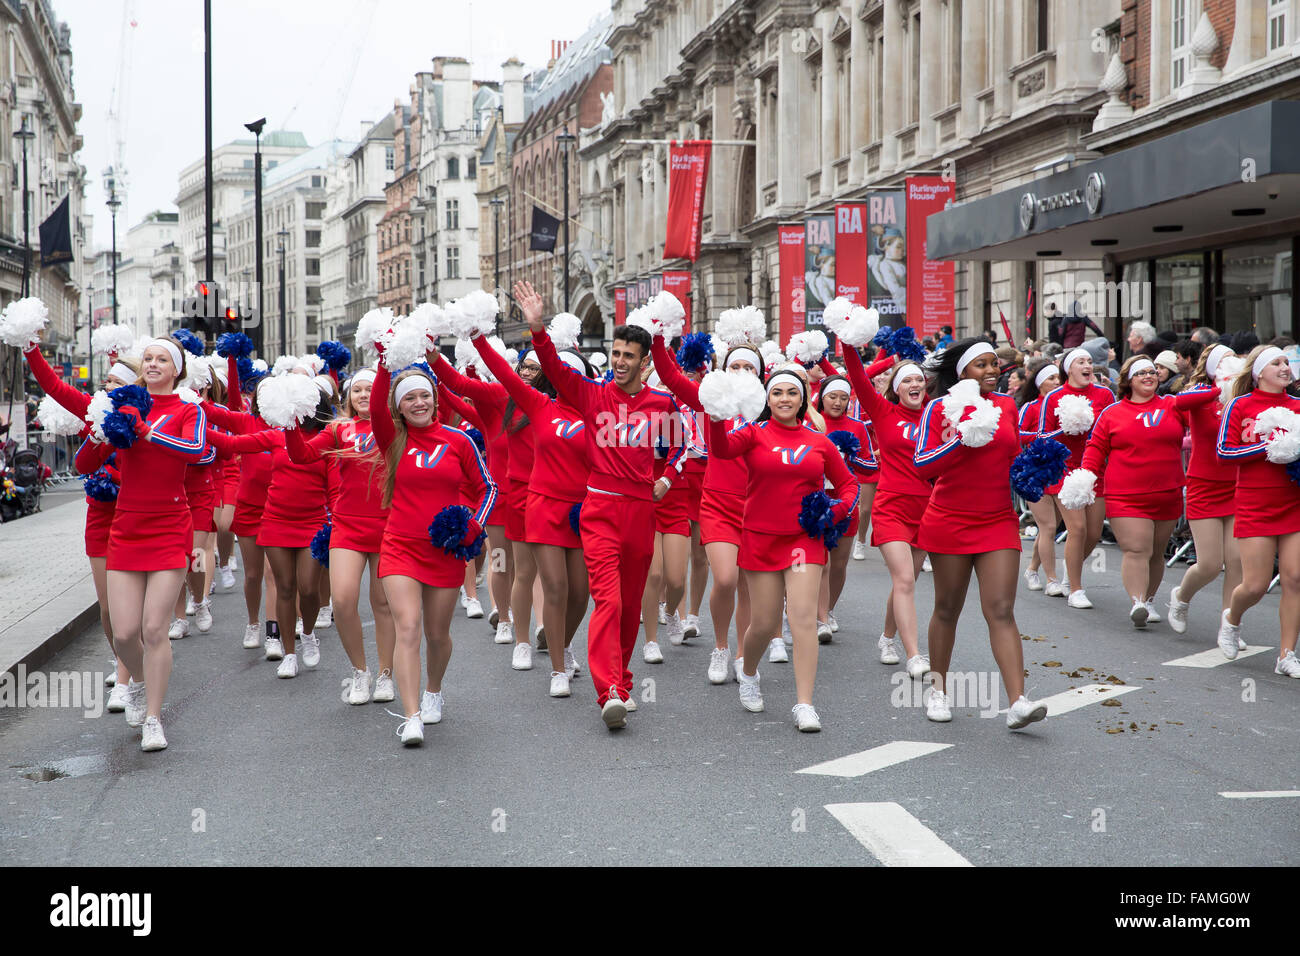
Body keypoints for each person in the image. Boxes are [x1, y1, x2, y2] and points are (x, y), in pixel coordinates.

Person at [517, 280, 684, 730]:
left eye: (629, 356)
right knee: (607, 600)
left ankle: (623, 682)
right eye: (615, 355)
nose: (620, 363)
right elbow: (553, 365)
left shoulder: (663, 404)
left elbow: (686, 446)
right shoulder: (592, 395)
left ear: (644, 362)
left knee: (631, 605)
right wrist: (537, 329)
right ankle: (607, 690)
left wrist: (666, 477)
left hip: (640, 514)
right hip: (599, 510)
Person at [74, 338, 208, 752]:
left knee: (154, 628)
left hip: (170, 527)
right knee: (124, 631)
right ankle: (138, 684)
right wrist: (101, 432)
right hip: (127, 530)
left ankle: (153, 717)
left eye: (161, 359)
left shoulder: (189, 411)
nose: (152, 363)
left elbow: (197, 451)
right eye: (147, 358)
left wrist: (146, 432)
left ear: (176, 369)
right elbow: (83, 464)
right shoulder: (124, 408)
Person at [707, 369, 859, 731]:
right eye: (777, 393)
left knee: (803, 617)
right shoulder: (754, 434)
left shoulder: (818, 441)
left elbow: (849, 484)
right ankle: (748, 672)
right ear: (767, 399)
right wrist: (714, 416)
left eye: (793, 392)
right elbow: (721, 449)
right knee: (763, 622)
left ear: (803, 399)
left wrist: (833, 511)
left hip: (803, 539)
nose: (785, 399)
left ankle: (804, 703)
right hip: (760, 538)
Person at [913, 339, 1048, 729]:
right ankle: (938, 690)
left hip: (997, 520)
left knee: (1002, 609)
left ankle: (1018, 701)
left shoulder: (1008, 407)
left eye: (995, 364)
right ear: (962, 373)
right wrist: (960, 439)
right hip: (949, 520)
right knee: (947, 609)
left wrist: (1038, 464)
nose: (992, 370)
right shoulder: (940, 408)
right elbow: (922, 464)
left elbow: (1013, 457)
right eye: (981, 365)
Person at [370, 359, 498, 745]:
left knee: (438, 634)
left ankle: (433, 690)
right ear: (399, 406)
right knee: (407, 626)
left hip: (445, 550)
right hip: (400, 546)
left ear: (436, 399)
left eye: (425, 395)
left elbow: (488, 488)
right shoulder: (392, 438)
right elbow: (376, 406)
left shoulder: (459, 441)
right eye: (410, 398)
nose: (419, 403)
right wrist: (382, 361)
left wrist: (472, 527)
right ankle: (411, 716)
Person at [469, 330, 591, 696]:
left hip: (582, 511)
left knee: (580, 593)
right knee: (552, 584)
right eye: (559, 374)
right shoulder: (539, 405)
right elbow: (504, 374)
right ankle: (556, 667)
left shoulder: (596, 411)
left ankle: (564, 645)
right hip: (541, 506)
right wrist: (477, 339)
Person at [23, 342, 138, 704]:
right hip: (101, 519)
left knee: (129, 609)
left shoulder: (148, 418)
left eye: (115, 382)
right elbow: (55, 389)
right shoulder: (96, 413)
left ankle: (126, 680)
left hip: (137, 517)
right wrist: (30, 349)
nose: (106, 387)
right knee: (107, 607)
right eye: (106, 381)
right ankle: (122, 658)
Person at [1068, 357, 1218, 627]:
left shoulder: (1171, 405)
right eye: (1141, 373)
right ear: (1129, 380)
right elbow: (1095, 447)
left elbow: (1203, 404)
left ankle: (1149, 599)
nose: (1148, 376)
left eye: (1152, 372)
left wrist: (1225, 384)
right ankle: (1137, 602)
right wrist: (1087, 476)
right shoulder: (1112, 413)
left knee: (1156, 552)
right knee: (1137, 549)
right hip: (1125, 495)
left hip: (1167, 491)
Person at [282, 367, 396, 705]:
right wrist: (290, 423)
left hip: (388, 524)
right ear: (347, 397)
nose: (362, 395)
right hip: (348, 525)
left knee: (383, 604)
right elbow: (301, 456)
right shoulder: (339, 429)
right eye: (356, 390)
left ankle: (387, 673)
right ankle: (360, 671)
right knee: (344, 600)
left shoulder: (395, 429)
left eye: (369, 390)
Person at [651, 334, 759, 685]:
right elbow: (670, 376)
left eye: (748, 367)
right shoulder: (708, 401)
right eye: (734, 366)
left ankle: (743, 655)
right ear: (723, 371)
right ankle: (720, 647)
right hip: (718, 502)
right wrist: (657, 336)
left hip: (757, 506)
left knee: (747, 585)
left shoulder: (770, 406)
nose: (741, 372)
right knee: (725, 578)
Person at [835, 345, 932, 678]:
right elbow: (858, 377)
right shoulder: (883, 412)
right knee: (904, 578)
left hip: (927, 510)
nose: (914, 385)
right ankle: (915, 654)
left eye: (919, 379)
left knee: (906, 582)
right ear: (897, 389)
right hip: (891, 507)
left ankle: (887, 637)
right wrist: (848, 341)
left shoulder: (937, 416)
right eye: (907, 381)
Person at [1215, 346, 1300, 675]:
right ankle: (1232, 619)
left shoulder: (1297, 406)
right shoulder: (1241, 404)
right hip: (1255, 502)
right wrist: (1270, 446)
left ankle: (1286, 654)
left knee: (1294, 578)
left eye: (1286, 363)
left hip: (1293, 501)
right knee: (1255, 585)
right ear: (1258, 372)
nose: (1284, 367)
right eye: (1276, 363)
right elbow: (1224, 451)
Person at [1167, 344, 1244, 644]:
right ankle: (1181, 597)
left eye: (1234, 359)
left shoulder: (1243, 397)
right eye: (1224, 361)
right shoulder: (1201, 394)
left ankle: (1229, 626)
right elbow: (1179, 403)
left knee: (1236, 562)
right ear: (1213, 368)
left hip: (1237, 485)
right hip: (1203, 484)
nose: (1232, 365)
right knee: (1210, 564)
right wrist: (1219, 388)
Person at [1036, 347, 1116, 608]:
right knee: (1077, 529)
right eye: (1080, 362)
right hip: (1065, 468)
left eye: (1090, 362)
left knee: (1093, 533)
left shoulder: (1104, 394)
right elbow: (1041, 436)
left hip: (1094, 469)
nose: (1087, 366)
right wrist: (1065, 428)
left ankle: (1071, 575)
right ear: (1068, 368)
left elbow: (1114, 427)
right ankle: (1076, 590)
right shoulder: (1055, 397)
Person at [813, 373, 877, 638]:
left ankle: (828, 610)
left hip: (846, 499)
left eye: (843, 398)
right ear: (821, 399)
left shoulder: (857, 427)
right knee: (818, 562)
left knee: (838, 564)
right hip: (814, 498)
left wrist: (849, 456)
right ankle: (816, 617)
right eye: (832, 397)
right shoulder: (811, 422)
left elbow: (870, 466)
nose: (838, 403)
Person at [1017, 359, 1064, 596]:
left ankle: (1032, 569)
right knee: (1048, 526)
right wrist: (1042, 436)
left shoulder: (1066, 404)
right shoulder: (1030, 407)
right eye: (1051, 379)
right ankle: (1053, 579)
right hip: (1035, 471)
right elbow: (1018, 433)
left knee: (1049, 527)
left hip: (1060, 471)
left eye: (1058, 378)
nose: (1057, 383)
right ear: (1039, 384)